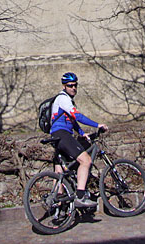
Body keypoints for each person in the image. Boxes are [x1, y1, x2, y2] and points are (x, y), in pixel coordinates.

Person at [50, 71, 108, 208]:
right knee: (85, 160)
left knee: (60, 171)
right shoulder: (63, 98)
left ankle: (57, 200)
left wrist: (82, 133)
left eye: (75, 85)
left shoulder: (66, 100)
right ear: (64, 86)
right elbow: (77, 116)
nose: (73, 88)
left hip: (57, 136)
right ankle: (80, 197)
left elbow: (72, 121)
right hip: (62, 134)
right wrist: (96, 124)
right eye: (70, 85)